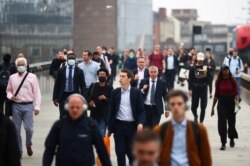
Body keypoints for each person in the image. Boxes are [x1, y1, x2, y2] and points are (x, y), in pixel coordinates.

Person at [43, 94, 111, 166]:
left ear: (83, 108)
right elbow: (49, 150)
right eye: (72, 107)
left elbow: (101, 150)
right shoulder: (59, 126)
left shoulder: (91, 125)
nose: (74, 110)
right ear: (67, 108)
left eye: (78, 107)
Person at [154, 90, 212, 166]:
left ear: (186, 105)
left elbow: (206, 159)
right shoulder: (159, 130)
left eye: (179, 104)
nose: (176, 107)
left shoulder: (199, 130)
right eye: (172, 104)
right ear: (168, 107)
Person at [108, 69, 145, 166]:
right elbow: (111, 111)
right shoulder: (115, 92)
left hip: (132, 127)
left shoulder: (136, 92)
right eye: (120, 76)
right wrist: (110, 128)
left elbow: (141, 110)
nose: (120, 78)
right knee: (120, 153)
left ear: (129, 79)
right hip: (118, 126)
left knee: (131, 154)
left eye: (123, 76)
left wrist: (140, 123)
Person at [6, 57, 41, 157]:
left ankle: (28, 144)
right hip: (16, 106)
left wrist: (37, 106)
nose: (21, 66)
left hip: (28, 106)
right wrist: (10, 96)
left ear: (26, 66)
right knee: (16, 130)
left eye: (22, 65)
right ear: (16, 66)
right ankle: (19, 151)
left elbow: (37, 92)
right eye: (19, 65)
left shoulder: (32, 77)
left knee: (29, 128)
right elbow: (8, 90)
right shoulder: (12, 77)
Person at [211, 66, 239, 150]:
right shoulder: (218, 81)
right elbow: (216, 95)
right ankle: (223, 142)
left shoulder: (233, 80)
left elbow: (236, 93)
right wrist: (212, 108)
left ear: (229, 71)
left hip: (231, 103)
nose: (226, 72)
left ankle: (232, 138)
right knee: (222, 123)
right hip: (222, 102)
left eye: (227, 70)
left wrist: (237, 103)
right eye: (224, 70)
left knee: (231, 122)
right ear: (222, 71)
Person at [53, 50, 86, 119]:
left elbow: (83, 85)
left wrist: (83, 97)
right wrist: (55, 98)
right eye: (70, 58)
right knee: (63, 114)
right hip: (63, 95)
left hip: (75, 95)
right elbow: (57, 85)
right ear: (67, 60)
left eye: (73, 59)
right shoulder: (61, 70)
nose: (71, 60)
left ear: (75, 60)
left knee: (74, 114)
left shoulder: (79, 71)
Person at [88, 68, 113, 137]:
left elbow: (112, 101)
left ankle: (101, 147)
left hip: (104, 114)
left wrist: (105, 98)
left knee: (101, 133)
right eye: (100, 74)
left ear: (106, 77)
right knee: (93, 132)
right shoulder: (93, 86)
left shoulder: (110, 88)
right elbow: (87, 96)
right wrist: (90, 101)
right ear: (98, 76)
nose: (101, 76)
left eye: (103, 75)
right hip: (94, 113)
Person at [188, 52, 209, 123]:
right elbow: (190, 79)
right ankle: (195, 116)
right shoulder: (193, 68)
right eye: (199, 59)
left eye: (201, 59)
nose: (200, 61)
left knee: (203, 107)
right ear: (197, 59)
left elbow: (209, 79)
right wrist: (190, 89)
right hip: (195, 88)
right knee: (193, 107)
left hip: (203, 88)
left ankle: (201, 122)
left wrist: (207, 74)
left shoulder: (206, 67)